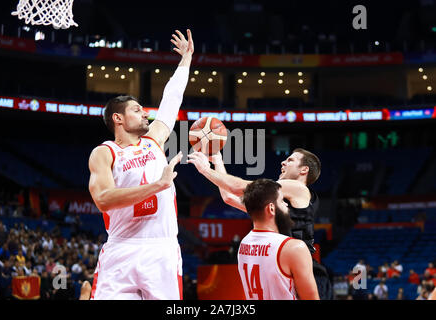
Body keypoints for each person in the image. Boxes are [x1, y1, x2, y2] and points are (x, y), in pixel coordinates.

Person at [88, 29, 194, 300]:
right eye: (136, 110)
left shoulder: (153, 140)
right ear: (118, 119)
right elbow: (103, 199)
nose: (145, 112)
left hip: (162, 250)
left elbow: (171, 100)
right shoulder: (104, 153)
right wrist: (158, 185)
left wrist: (186, 61)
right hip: (121, 249)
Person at [187, 148, 332, 299]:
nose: (283, 162)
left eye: (290, 160)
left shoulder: (299, 188)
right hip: (282, 266)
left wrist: (205, 169)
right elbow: (229, 197)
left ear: (304, 170)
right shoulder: (273, 204)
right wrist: (217, 161)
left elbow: (238, 187)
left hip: (304, 269)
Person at [236, 179, 319, 300]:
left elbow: (227, 197)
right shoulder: (294, 248)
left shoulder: (244, 243)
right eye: (282, 201)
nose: (286, 205)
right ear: (271, 208)